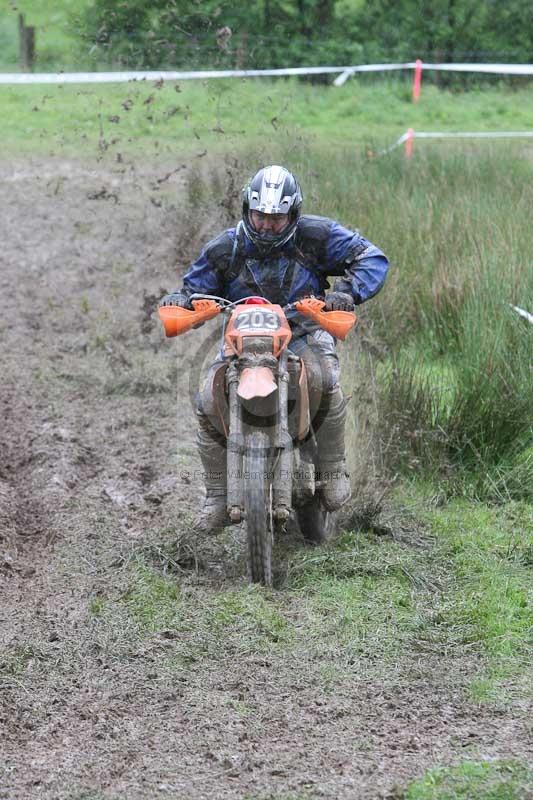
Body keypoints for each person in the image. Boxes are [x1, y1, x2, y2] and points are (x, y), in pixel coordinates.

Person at [160, 165, 389, 533]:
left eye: (276, 218)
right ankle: (218, 495)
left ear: (292, 215)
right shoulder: (227, 246)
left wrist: (347, 291)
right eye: (260, 216)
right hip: (244, 339)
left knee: (326, 377)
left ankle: (332, 468)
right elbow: (194, 286)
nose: (266, 225)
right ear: (247, 210)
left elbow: (371, 257)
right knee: (206, 398)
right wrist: (182, 298)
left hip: (303, 329)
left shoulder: (316, 236)